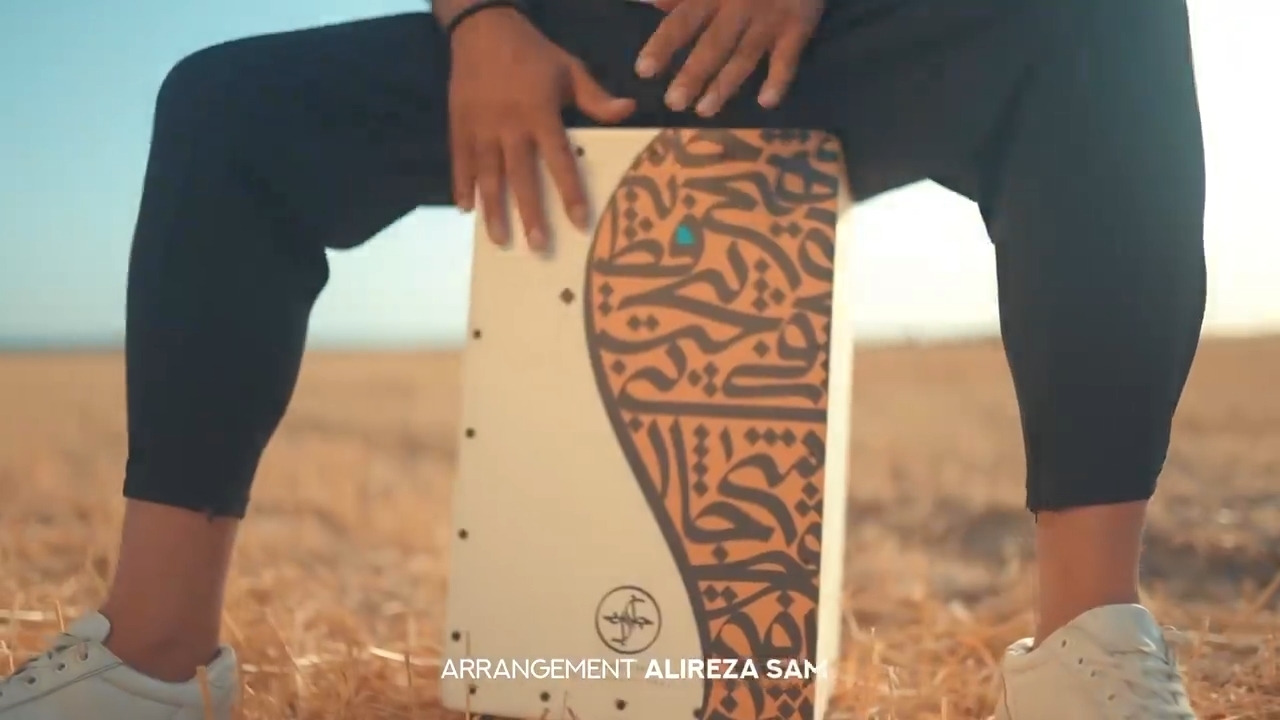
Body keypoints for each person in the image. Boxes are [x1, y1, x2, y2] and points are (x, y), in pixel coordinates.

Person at [0, 0, 1205, 717]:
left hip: (824, 34)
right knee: (225, 106)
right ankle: (154, 658)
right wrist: (478, 20)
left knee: (1099, 13)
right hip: (559, 47)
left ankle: (1086, 649)